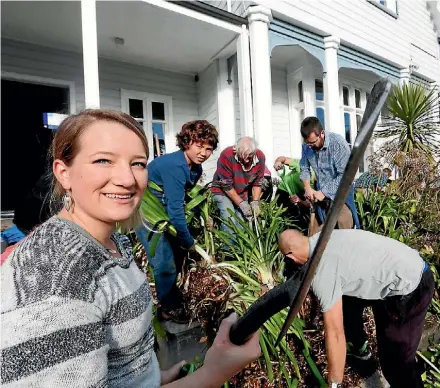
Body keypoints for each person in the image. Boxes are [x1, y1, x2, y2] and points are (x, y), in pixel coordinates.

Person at [0, 109, 260, 387]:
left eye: (138, 163)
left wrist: (150, 376)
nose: (127, 179)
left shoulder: (114, 241)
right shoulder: (54, 279)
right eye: (103, 160)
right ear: (64, 173)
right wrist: (214, 373)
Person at [278, 229, 434, 388]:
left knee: (397, 363)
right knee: (348, 301)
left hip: (412, 288)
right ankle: (360, 349)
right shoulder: (325, 235)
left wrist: (334, 383)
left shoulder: (322, 272)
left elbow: (335, 333)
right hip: (402, 268)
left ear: (290, 257)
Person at [136, 120, 219, 323]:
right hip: (149, 213)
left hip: (164, 210)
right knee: (164, 262)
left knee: (177, 254)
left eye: (208, 149)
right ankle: (167, 308)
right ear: (186, 142)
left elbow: (186, 198)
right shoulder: (176, 166)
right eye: (199, 146)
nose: (203, 153)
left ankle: (174, 294)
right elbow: (176, 211)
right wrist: (189, 241)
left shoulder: (195, 168)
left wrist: (204, 217)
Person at [299, 117, 361, 231]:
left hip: (341, 192)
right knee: (315, 233)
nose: (310, 146)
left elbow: (347, 175)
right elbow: (304, 168)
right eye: (307, 143)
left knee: (343, 224)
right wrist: (307, 187)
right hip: (320, 194)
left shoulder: (337, 144)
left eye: (313, 142)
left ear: (321, 134)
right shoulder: (307, 146)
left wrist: (324, 192)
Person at [211, 137, 265, 234]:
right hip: (222, 191)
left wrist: (255, 202)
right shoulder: (226, 155)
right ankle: (228, 248)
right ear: (236, 150)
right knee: (229, 218)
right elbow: (226, 186)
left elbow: (258, 182)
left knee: (241, 221)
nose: (246, 160)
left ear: (255, 151)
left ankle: (240, 248)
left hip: (241, 192)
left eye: (250, 156)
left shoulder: (260, 157)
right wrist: (242, 205)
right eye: (242, 156)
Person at [274, 156, 314, 231]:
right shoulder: (302, 165)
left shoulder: (319, 186)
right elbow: (283, 159)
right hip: (284, 190)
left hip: (300, 195)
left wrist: (299, 201)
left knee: (299, 221)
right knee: (282, 217)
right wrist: (278, 162)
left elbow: (310, 205)